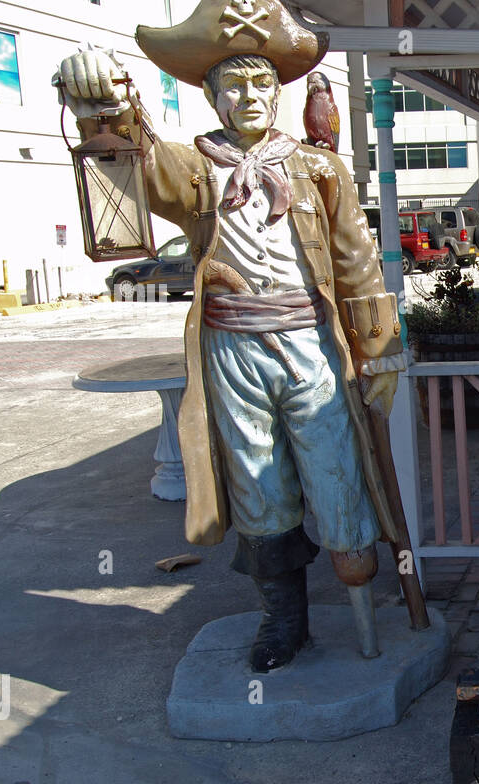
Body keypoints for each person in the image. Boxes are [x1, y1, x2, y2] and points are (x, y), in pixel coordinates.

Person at [57, 0, 407, 671]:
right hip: (232, 349)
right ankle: (282, 621)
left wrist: (380, 347)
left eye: (261, 84)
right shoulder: (193, 169)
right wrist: (100, 106)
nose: (249, 97)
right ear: (212, 96)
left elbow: (357, 260)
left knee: (338, 479)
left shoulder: (319, 170)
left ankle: (366, 620)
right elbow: (138, 159)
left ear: (281, 93)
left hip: (311, 346)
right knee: (257, 485)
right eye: (234, 85)